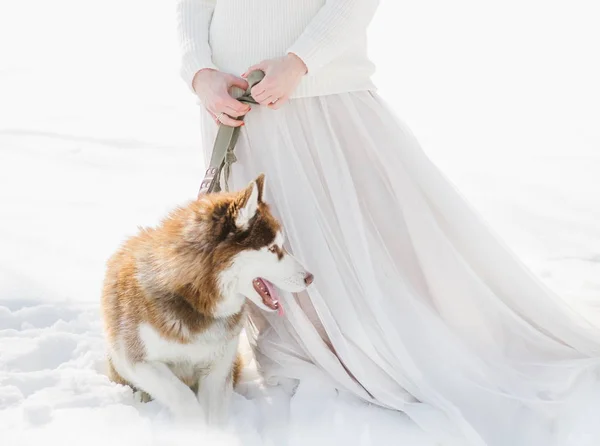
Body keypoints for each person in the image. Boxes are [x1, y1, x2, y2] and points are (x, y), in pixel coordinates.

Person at [176, 1, 600, 444]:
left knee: (386, 259)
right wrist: (200, 74)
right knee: (276, 267)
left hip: (325, 101)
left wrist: (300, 62)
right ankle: (324, 349)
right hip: (236, 110)